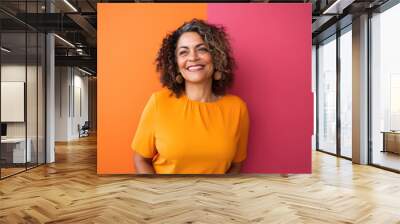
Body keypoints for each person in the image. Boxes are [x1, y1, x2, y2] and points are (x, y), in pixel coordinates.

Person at [131, 19, 250, 174]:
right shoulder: (158, 103)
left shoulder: (237, 108)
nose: (193, 57)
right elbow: (140, 159)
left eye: (202, 49)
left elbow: (236, 165)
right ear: (176, 65)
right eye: (183, 52)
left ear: (216, 57)